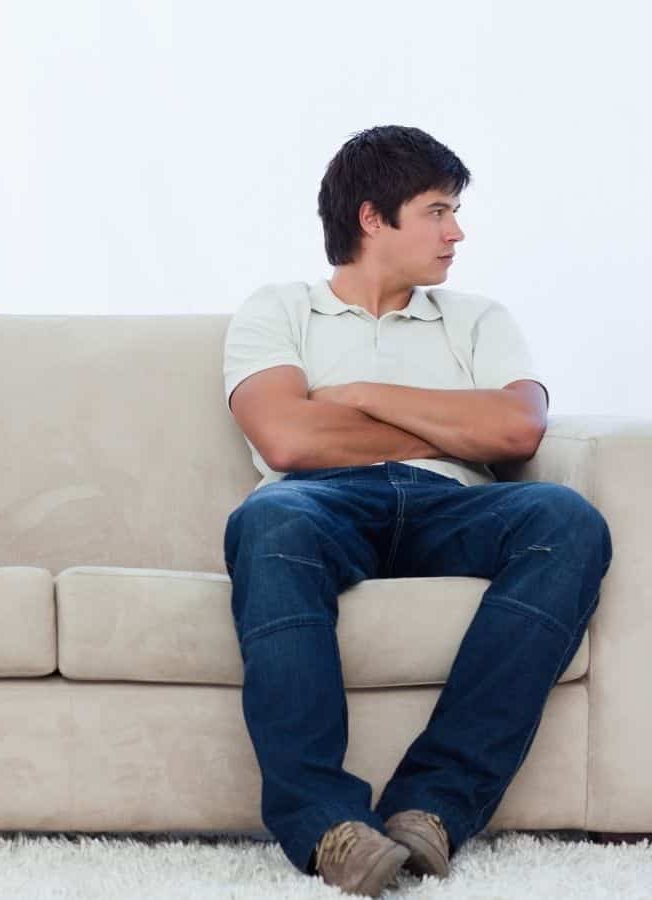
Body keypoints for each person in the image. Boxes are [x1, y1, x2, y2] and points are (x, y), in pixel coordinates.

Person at [222, 125, 611, 897]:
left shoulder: (477, 318)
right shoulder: (278, 309)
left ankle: (430, 809)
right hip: (316, 506)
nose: (455, 231)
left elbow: (515, 430)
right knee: (266, 522)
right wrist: (447, 418)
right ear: (373, 219)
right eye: (437, 211)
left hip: (455, 502)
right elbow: (287, 437)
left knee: (567, 520)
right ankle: (329, 826)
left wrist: (359, 394)